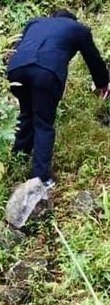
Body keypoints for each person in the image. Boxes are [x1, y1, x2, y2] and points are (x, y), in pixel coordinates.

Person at [7, 9, 109, 187]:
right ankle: (41, 179)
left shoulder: (35, 22)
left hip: (17, 70)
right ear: (72, 20)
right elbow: (93, 59)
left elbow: (19, 47)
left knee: (26, 115)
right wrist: (103, 83)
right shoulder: (78, 28)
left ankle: (16, 163)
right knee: (43, 123)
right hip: (46, 73)